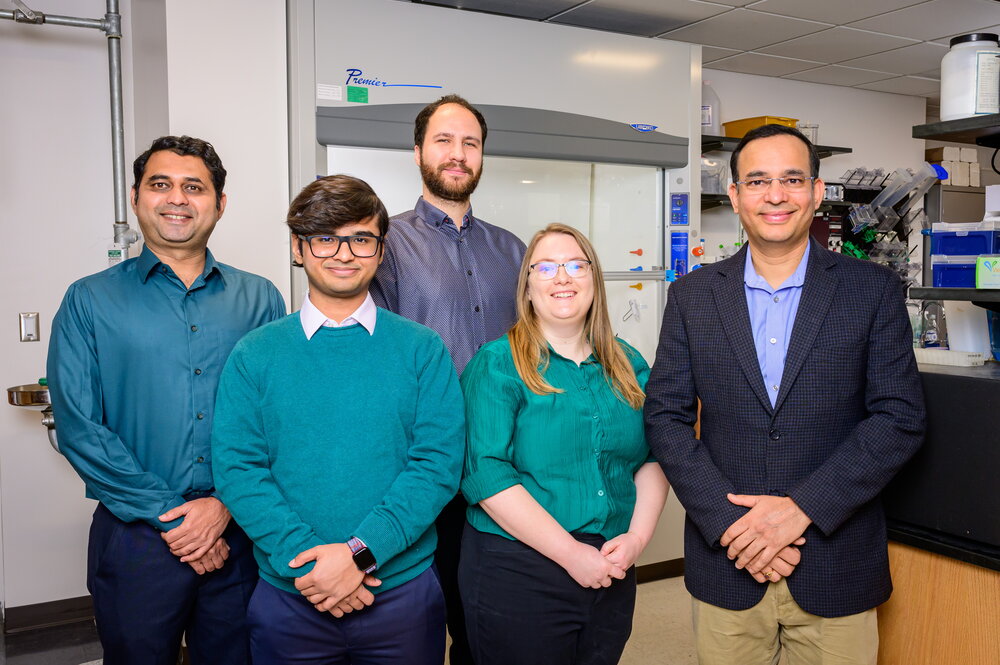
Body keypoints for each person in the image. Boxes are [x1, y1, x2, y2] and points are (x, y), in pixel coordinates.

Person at [644, 124, 925, 664]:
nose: (775, 195)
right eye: (758, 181)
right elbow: (665, 418)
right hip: (728, 561)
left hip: (835, 560)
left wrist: (802, 509)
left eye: (792, 179)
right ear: (736, 196)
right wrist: (732, 526)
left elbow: (899, 418)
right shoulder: (693, 296)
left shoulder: (873, 290)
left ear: (817, 192)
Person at [47, 135, 285, 665]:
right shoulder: (88, 300)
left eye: (194, 187)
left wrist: (223, 504)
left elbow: (278, 419)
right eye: (161, 184)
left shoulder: (262, 299)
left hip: (240, 531)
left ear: (219, 204)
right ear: (136, 198)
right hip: (136, 536)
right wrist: (177, 517)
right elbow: (80, 427)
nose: (177, 198)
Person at [211, 174, 464, 664]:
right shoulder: (255, 354)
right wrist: (314, 567)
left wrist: (359, 555)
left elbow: (437, 466)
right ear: (298, 248)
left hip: (402, 596)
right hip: (291, 595)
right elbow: (239, 470)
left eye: (360, 239)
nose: (343, 253)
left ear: (381, 250)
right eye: (325, 238)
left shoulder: (422, 350)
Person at [458, 223, 670, 665]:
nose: (562, 277)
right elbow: (486, 473)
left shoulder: (628, 363)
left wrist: (636, 539)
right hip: (518, 570)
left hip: (612, 565)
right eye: (547, 267)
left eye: (576, 265)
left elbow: (652, 454)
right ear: (528, 285)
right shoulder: (496, 365)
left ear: (593, 279)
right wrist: (571, 554)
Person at [370, 93, 525, 664]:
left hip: (505, 467)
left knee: (487, 628)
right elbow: (375, 358)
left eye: (470, 143)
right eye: (444, 141)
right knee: (412, 625)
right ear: (417, 153)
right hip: (420, 469)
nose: (457, 154)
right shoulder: (385, 244)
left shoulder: (512, 250)